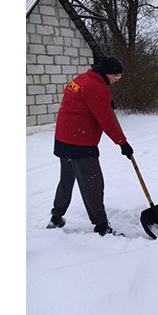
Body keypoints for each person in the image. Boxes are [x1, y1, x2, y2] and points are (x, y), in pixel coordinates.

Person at [47, 57, 134, 236]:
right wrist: (122, 143)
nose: (116, 80)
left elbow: (81, 101)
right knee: (93, 185)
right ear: (106, 73)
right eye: (116, 76)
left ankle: (56, 217)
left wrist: (104, 103)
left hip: (64, 139)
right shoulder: (97, 88)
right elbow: (107, 121)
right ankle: (101, 226)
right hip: (80, 143)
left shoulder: (82, 79)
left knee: (66, 180)